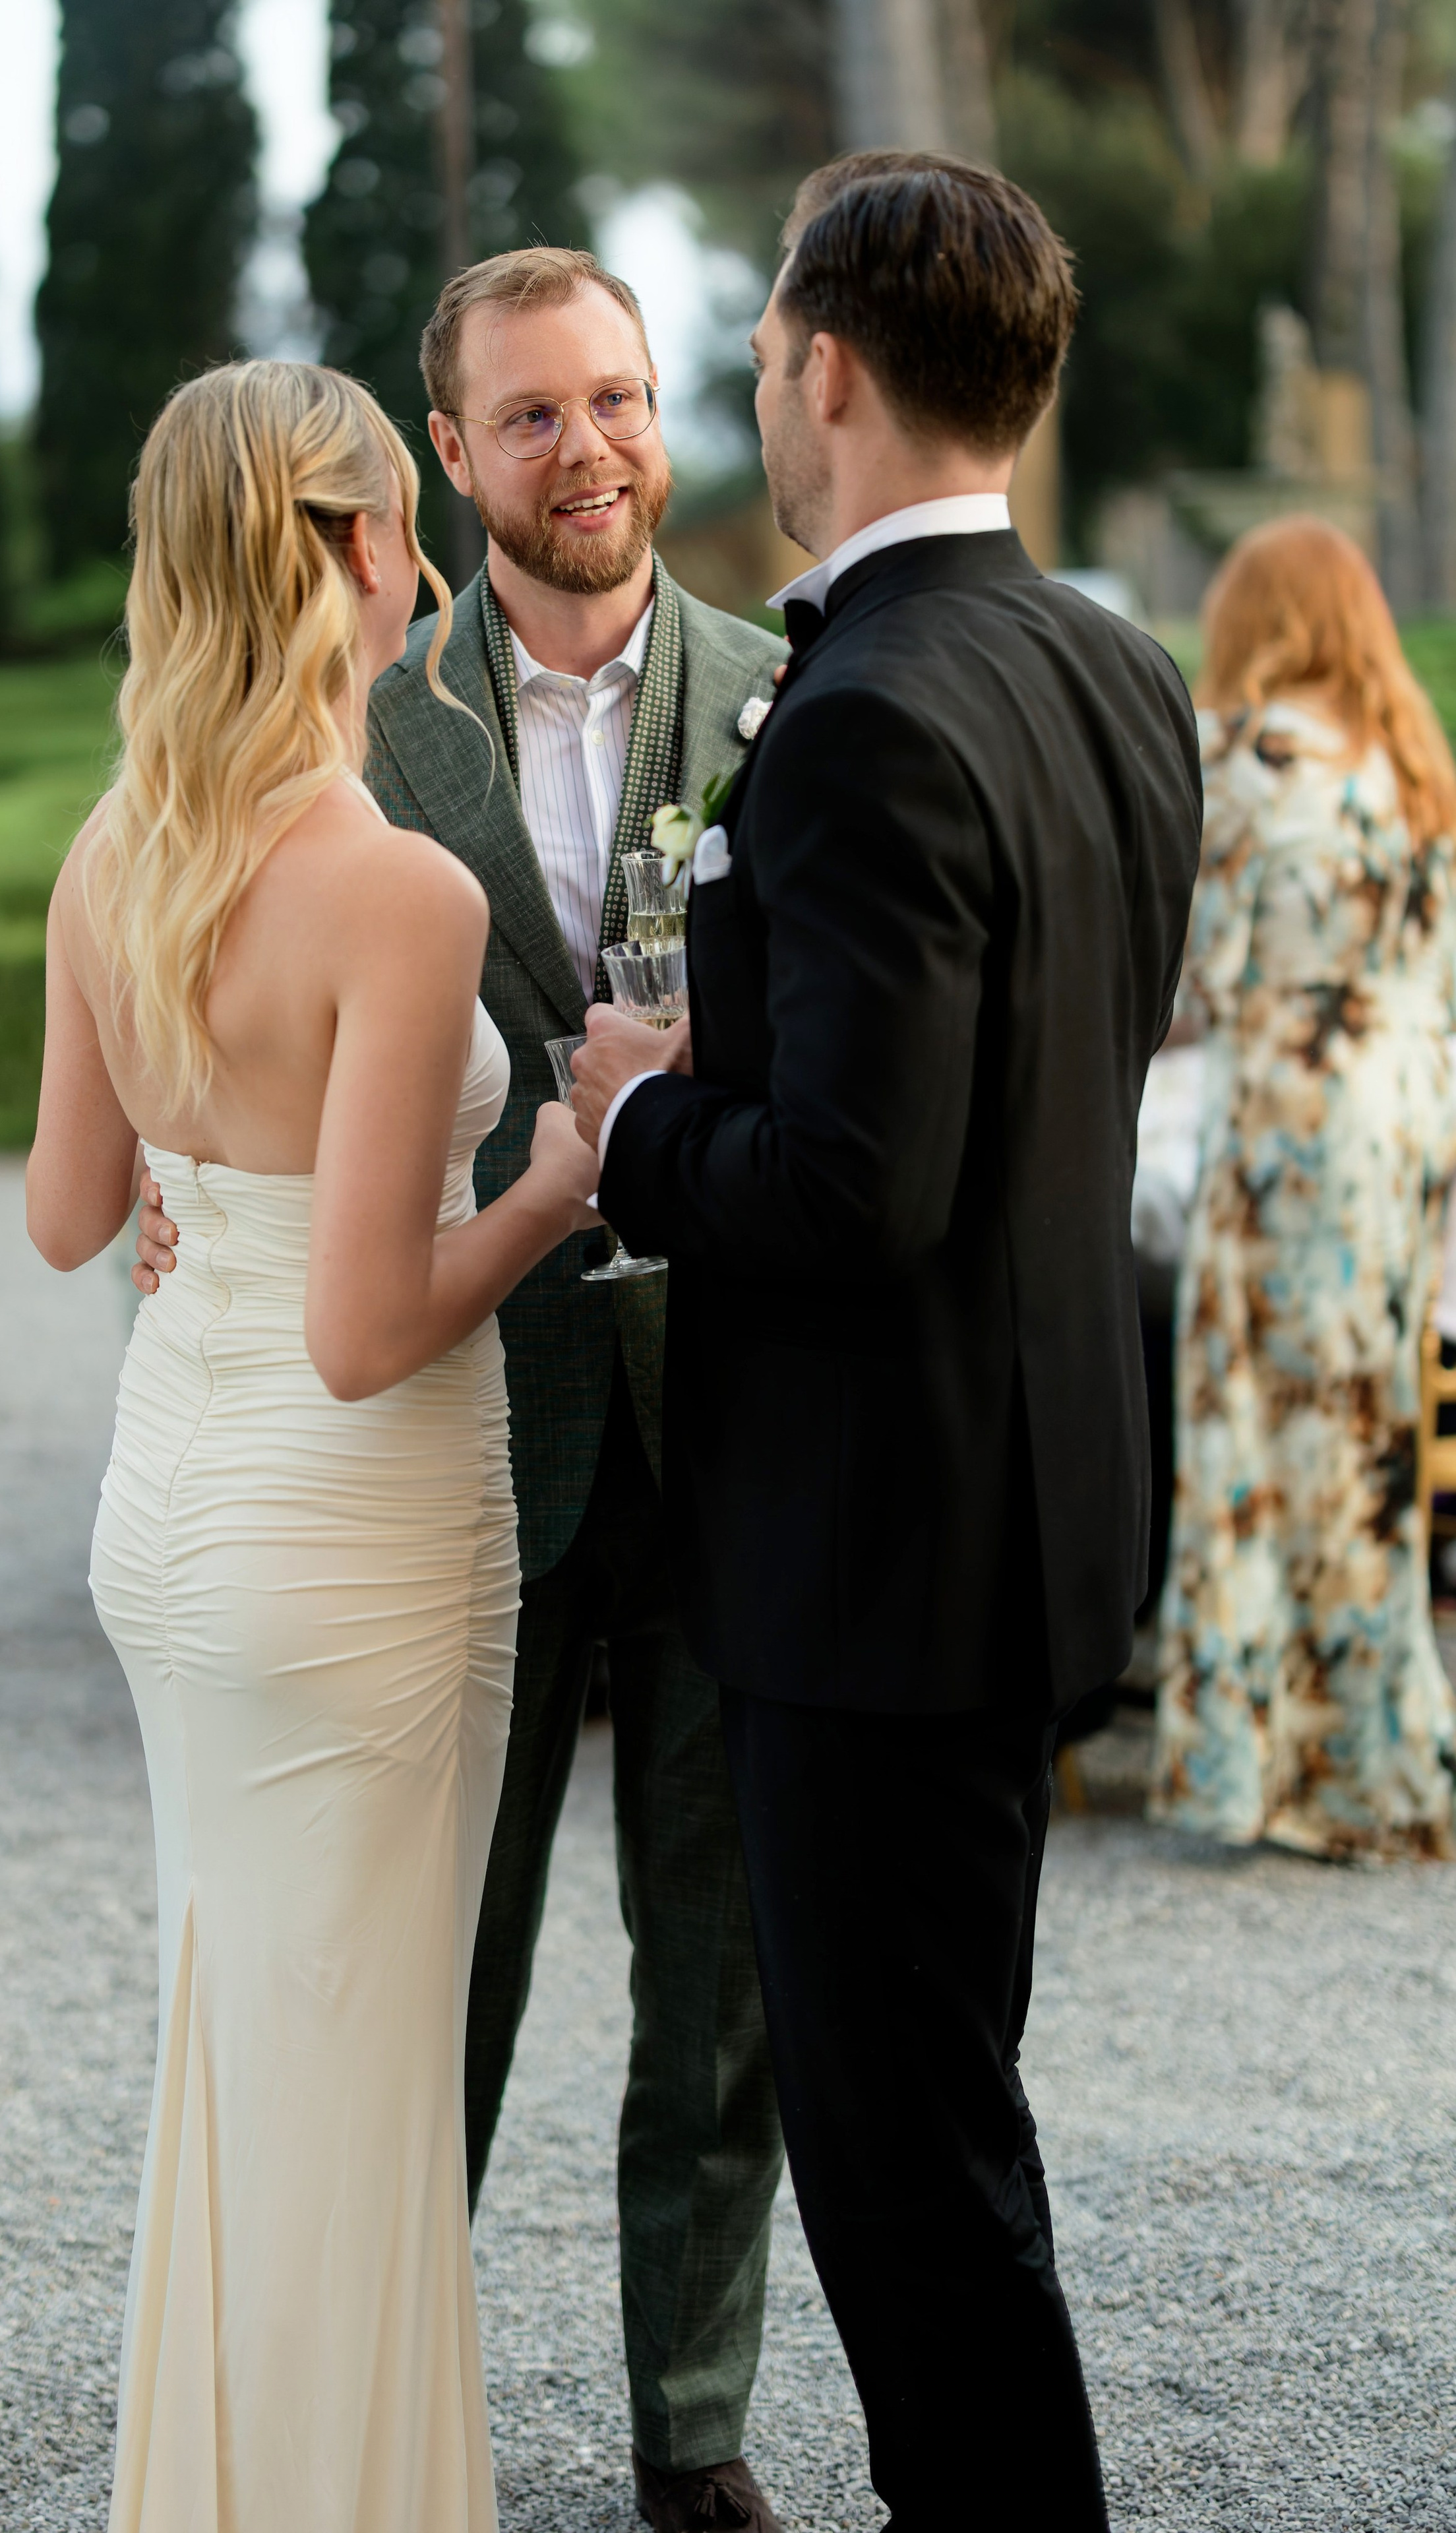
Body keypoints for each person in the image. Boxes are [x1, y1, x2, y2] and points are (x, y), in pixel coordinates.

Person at [133, 248, 791, 2532]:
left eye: (617, 397)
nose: (591, 445)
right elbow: (203, 956)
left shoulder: (793, 698)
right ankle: (386, 2409)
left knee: (717, 1977)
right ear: (448, 451)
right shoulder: (357, 722)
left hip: (731, 1417)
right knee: (440, 1959)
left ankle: (693, 2428)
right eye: (532, 415)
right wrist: (160, 1168)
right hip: (450, 1430)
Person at [572, 152, 1203, 2527]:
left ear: (824, 368)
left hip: (871, 1568)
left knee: (911, 2191)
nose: (758, 390)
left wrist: (640, 1127)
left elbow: (856, 1188)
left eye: (751, 359)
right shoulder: (1116, 668)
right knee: (951, 2126)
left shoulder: (853, 715)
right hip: (1039, 1523)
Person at [26, 360, 598, 2530]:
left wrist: (195, 1167)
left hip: (170, 1519)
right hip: (351, 1542)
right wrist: (553, 1179)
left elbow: (73, 1212)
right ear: (361, 549)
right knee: (352, 2094)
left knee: (248, 2053)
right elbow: (372, 1328)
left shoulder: (121, 845)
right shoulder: (400, 897)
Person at [1150, 515, 1456, 1859]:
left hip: (1288, 1112)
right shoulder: (1408, 763)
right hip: (1402, 1117)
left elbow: (1193, 975)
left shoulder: (1242, 756)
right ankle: (1376, 1756)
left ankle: (1259, 1766)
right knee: (1369, 1433)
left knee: (1250, 1432)